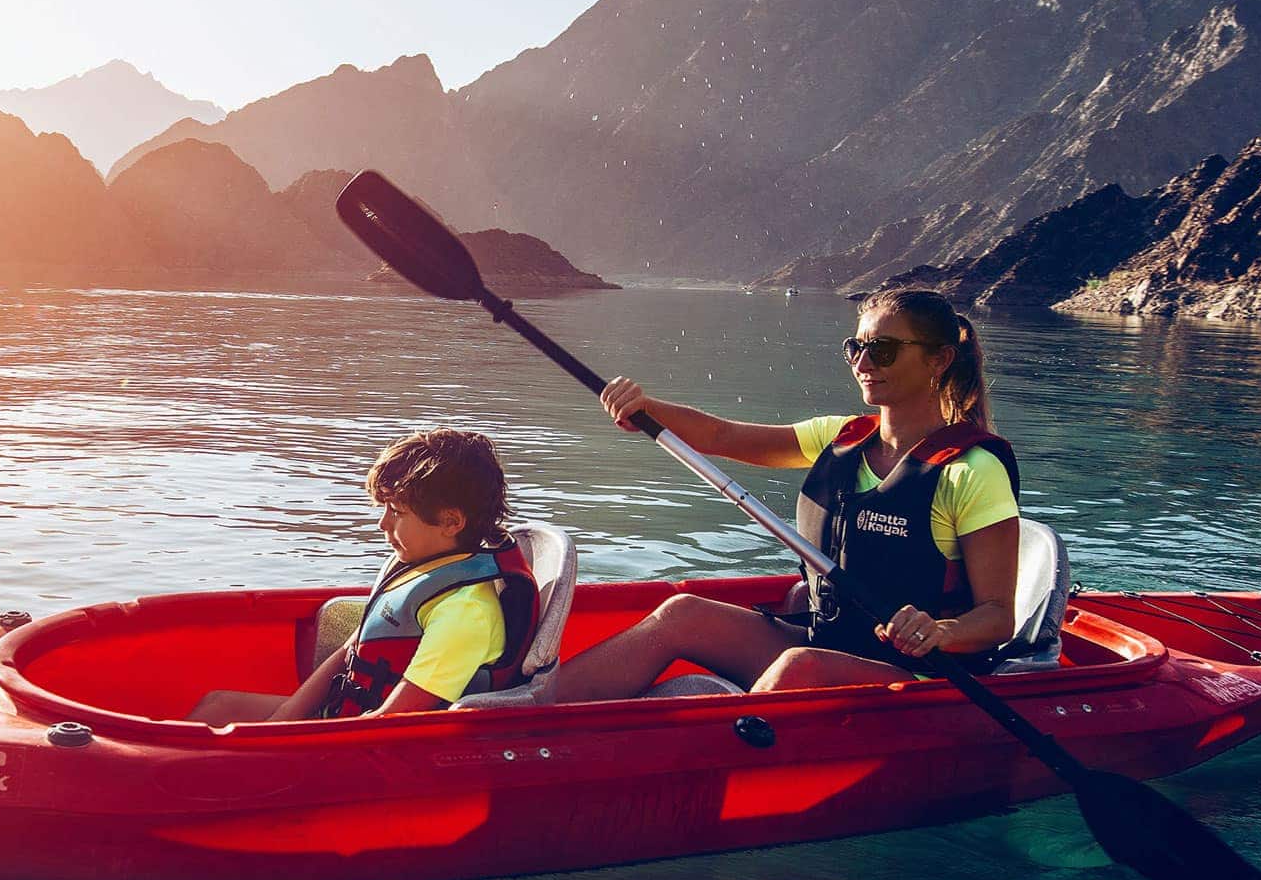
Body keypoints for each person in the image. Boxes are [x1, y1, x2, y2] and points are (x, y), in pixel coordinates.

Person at [545, 289, 1039, 700]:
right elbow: (722, 437)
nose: (864, 362)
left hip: (921, 677)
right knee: (683, 614)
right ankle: (516, 714)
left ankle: (703, 770)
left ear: (940, 359)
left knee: (798, 666)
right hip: (829, 639)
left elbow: (998, 617)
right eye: (856, 348)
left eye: (884, 350)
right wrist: (647, 408)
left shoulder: (972, 471)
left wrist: (941, 631)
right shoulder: (840, 437)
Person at [190, 428, 537, 723]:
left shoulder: (464, 612)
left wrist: (283, 740)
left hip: (374, 742)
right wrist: (286, 716)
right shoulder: (421, 571)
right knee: (217, 706)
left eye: (397, 512)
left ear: (451, 522)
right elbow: (350, 648)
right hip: (345, 712)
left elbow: (394, 720)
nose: (383, 523)